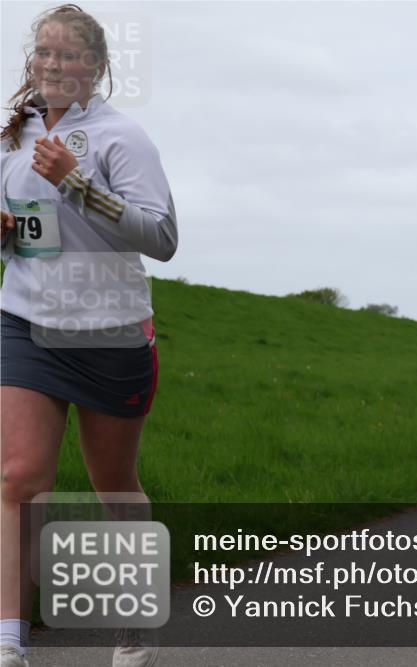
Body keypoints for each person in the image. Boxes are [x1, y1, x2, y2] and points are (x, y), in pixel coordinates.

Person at [1, 6, 177, 667]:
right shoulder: (10, 134)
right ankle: (10, 638)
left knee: (115, 483)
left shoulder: (121, 137)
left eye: (68, 55)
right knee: (20, 477)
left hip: (109, 333)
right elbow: (17, 225)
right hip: (24, 321)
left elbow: (161, 238)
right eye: (43, 52)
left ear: (97, 67)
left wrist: (74, 186)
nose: (51, 64)